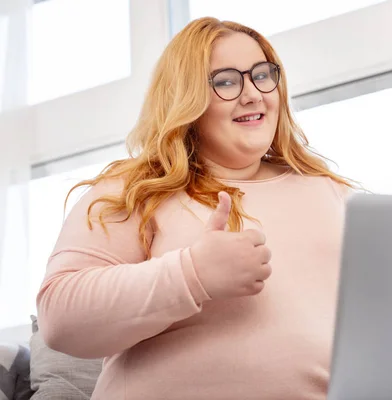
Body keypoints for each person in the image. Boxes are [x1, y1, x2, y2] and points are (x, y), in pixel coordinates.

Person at [35, 16, 357, 400]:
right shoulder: (136, 189)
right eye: (225, 81)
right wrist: (192, 274)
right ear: (185, 100)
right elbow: (61, 318)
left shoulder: (335, 194)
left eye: (262, 75)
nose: (253, 93)